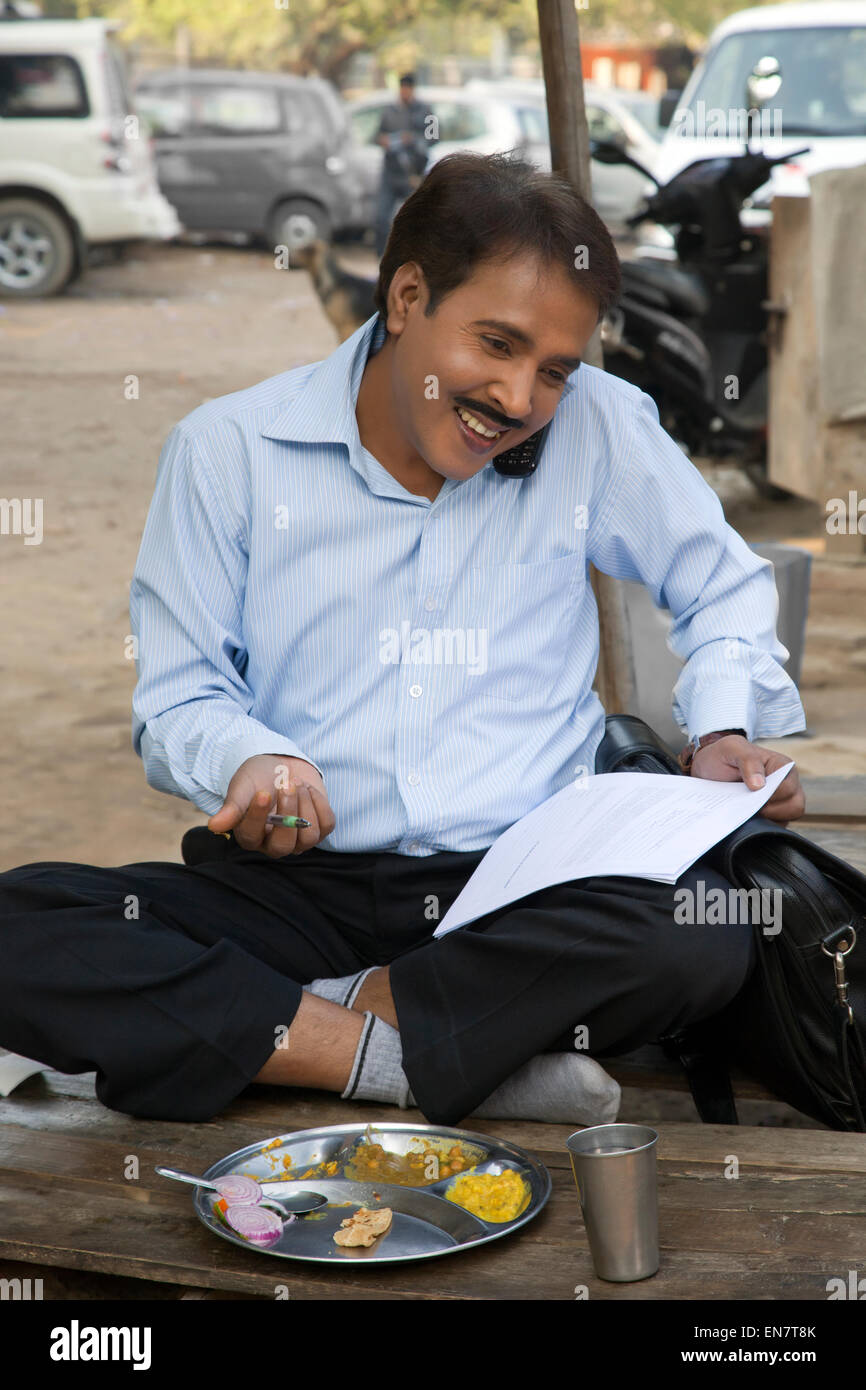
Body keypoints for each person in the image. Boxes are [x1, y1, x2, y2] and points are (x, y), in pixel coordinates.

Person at [0, 153, 807, 1127]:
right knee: (21, 924)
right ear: (406, 295)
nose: (516, 399)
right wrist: (253, 757)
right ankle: (423, 1055)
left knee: (697, 937)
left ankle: (294, 1033)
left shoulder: (598, 427)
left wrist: (719, 725)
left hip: (520, 891)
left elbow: (722, 582)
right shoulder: (227, 452)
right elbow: (177, 698)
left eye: (551, 368)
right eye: (495, 345)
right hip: (295, 893)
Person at [374, 72, 434, 258]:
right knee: (381, 218)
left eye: (407, 89)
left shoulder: (425, 111)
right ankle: (383, 257)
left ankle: (412, 256)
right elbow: (377, 135)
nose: (404, 93)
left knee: (415, 218)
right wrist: (383, 140)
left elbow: (434, 137)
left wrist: (413, 139)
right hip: (391, 171)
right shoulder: (389, 110)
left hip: (412, 173)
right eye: (401, 89)